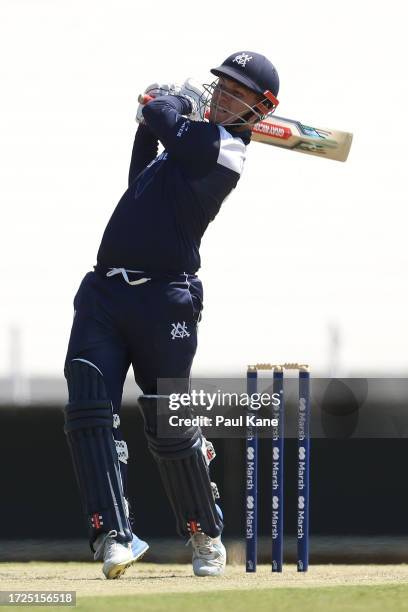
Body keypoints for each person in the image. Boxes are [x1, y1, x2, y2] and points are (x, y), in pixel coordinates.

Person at [63, 50, 280, 579]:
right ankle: (114, 535)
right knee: (89, 409)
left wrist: (168, 102)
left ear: (261, 109)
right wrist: (147, 118)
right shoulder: (185, 145)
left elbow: (165, 118)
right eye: (221, 87)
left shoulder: (225, 151)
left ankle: (205, 534)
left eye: (238, 93)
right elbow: (139, 178)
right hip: (105, 290)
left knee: (166, 426)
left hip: (166, 301)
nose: (224, 96)